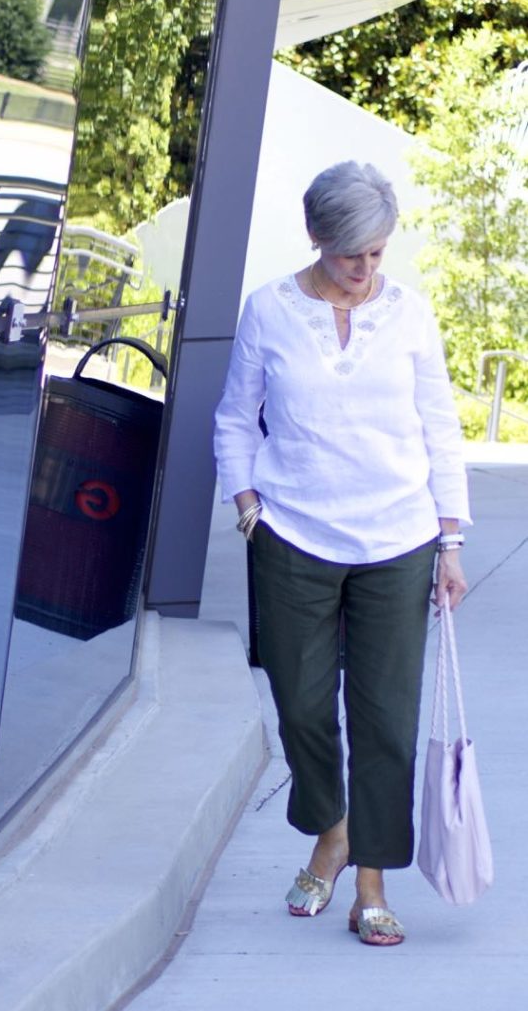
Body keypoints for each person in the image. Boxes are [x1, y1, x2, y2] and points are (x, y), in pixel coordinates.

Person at [214, 161, 470, 946]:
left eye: (378, 253)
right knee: (298, 703)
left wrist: (450, 538)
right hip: (293, 535)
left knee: (386, 720)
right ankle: (331, 828)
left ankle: (370, 880)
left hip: (399, 539)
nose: (366, 270)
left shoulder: (410, 314)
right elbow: (234, 417)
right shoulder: (270, 310)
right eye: (352, 253)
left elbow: (440, 424)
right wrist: (249, 506)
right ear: (317, 237)